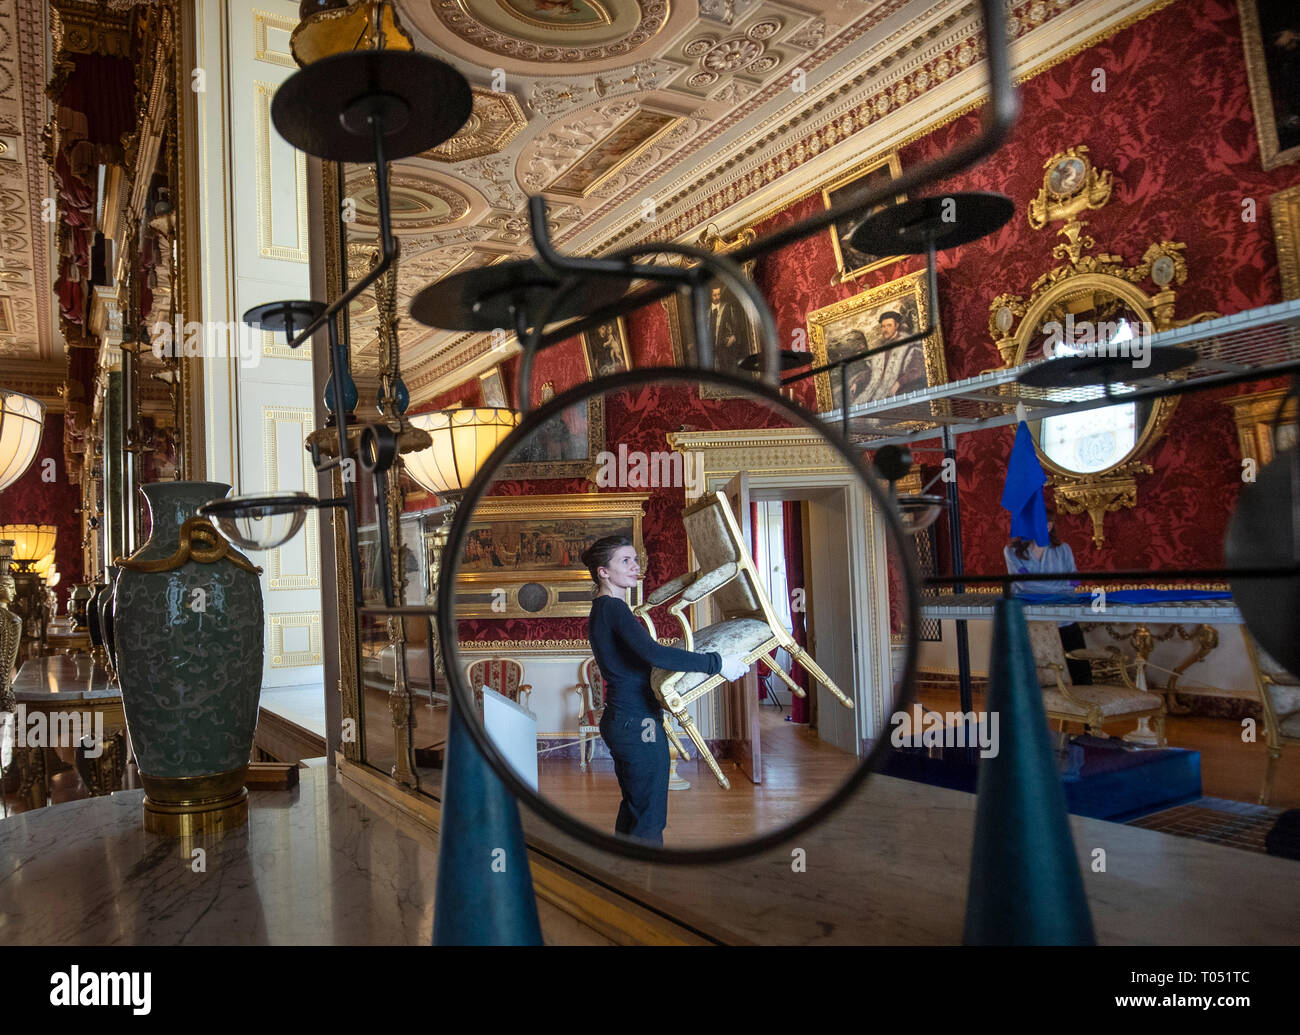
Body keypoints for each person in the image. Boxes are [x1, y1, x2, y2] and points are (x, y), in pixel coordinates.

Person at [581, 535, 748, 846]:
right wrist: (717, 662)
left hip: (627, 720)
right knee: (649, 817)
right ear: (603, 572)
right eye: (626, 561)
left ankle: (623, 879)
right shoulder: (613, 609)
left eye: (635, 559)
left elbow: (649, 655)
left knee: (636, 808)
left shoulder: (606, 609)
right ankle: (646, 888)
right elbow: (654, 654)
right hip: (635, 723)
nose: (636, 567)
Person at [1004, 515, 1092, 684]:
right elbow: (1023, 585)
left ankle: (1084, 701)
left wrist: (1056, 591)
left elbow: (1074, 579)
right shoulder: (1011, 551)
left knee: (1080, 667)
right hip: (1032, 618)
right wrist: (1058, 590)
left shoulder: (1063, 549)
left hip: (1064, 616)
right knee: (1036, 671)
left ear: (1049, 526)